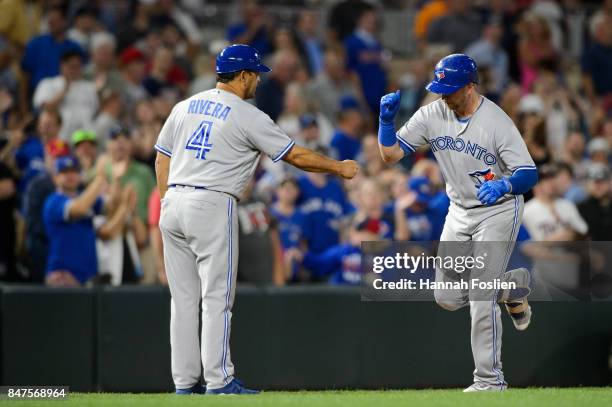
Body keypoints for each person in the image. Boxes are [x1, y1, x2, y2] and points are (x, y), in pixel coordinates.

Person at [154, 44, 358, 395]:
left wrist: (169, 200)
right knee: (217, 297)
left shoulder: (184, 105)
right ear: (244, 74)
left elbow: (161, 159)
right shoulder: (246, 114)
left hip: (172, 202)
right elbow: (294, 155)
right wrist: (338, 166)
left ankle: (184, 384)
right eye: (256, 75)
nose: (258, 81)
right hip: (211, 201)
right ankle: (219, 382)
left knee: (183, 300)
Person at [377, 54, 538, 391]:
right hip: (459, 210)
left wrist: (507, 184)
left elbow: (528, 172)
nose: (443, 94)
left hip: (498, 210)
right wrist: (386, 123)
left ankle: (490, 381)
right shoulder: (432, 113)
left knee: (480, 294)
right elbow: (390, 156)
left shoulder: (496, 120)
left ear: (469, 86)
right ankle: (511, 286)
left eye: (449, 88)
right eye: (440, 88)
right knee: (446, 296)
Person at [33, 50, 98, 140]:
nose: (75, 70)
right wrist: (65, 90)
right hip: (59, 135)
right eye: (72, 67)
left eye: (78, 67)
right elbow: (46, 107)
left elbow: (95, 111)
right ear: (62, 66)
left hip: (85, 135)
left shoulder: (90, 87)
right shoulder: (48, 83)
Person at [578, 164, 612, 241]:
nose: (598, 186)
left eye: (602, 181)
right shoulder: (581, 208)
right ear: (587, 184)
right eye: (595, 182)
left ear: (609, 183)